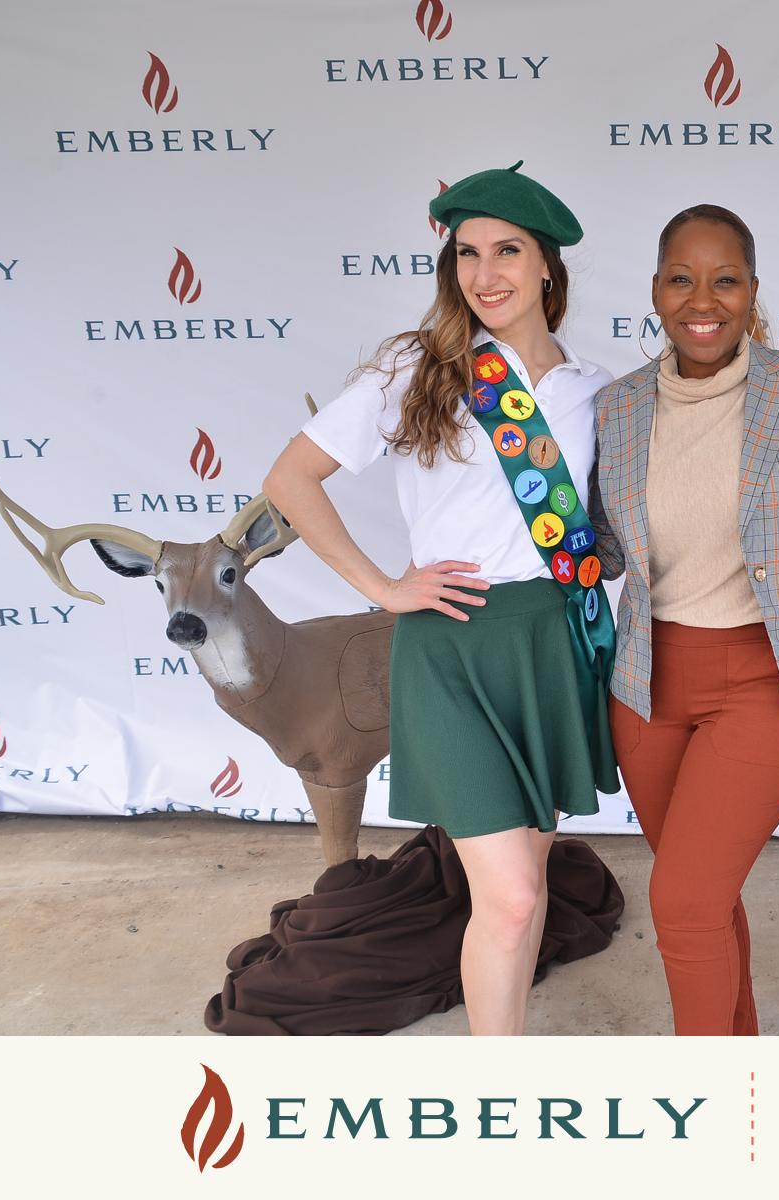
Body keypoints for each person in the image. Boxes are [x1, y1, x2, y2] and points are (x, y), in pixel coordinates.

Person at [261, 162, 616, 1036]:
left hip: (551, 645)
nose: (484, 273)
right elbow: (290, 479)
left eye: (507, 251)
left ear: (546, 268)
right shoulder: (419, 369)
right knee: (510, 894)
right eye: (466, 254)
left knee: (524, 889)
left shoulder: (593, 388)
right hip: (452, 646)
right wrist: (383, 586)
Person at [588, 204, 779, 1035]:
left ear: (754, 291)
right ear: (655, 291)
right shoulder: (615, 408)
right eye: (682, 279)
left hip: (763, 679)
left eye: (726, 279)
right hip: (647, 687)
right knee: (705, 895)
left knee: (683, 901)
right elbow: (601, 551)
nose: (705, 299)